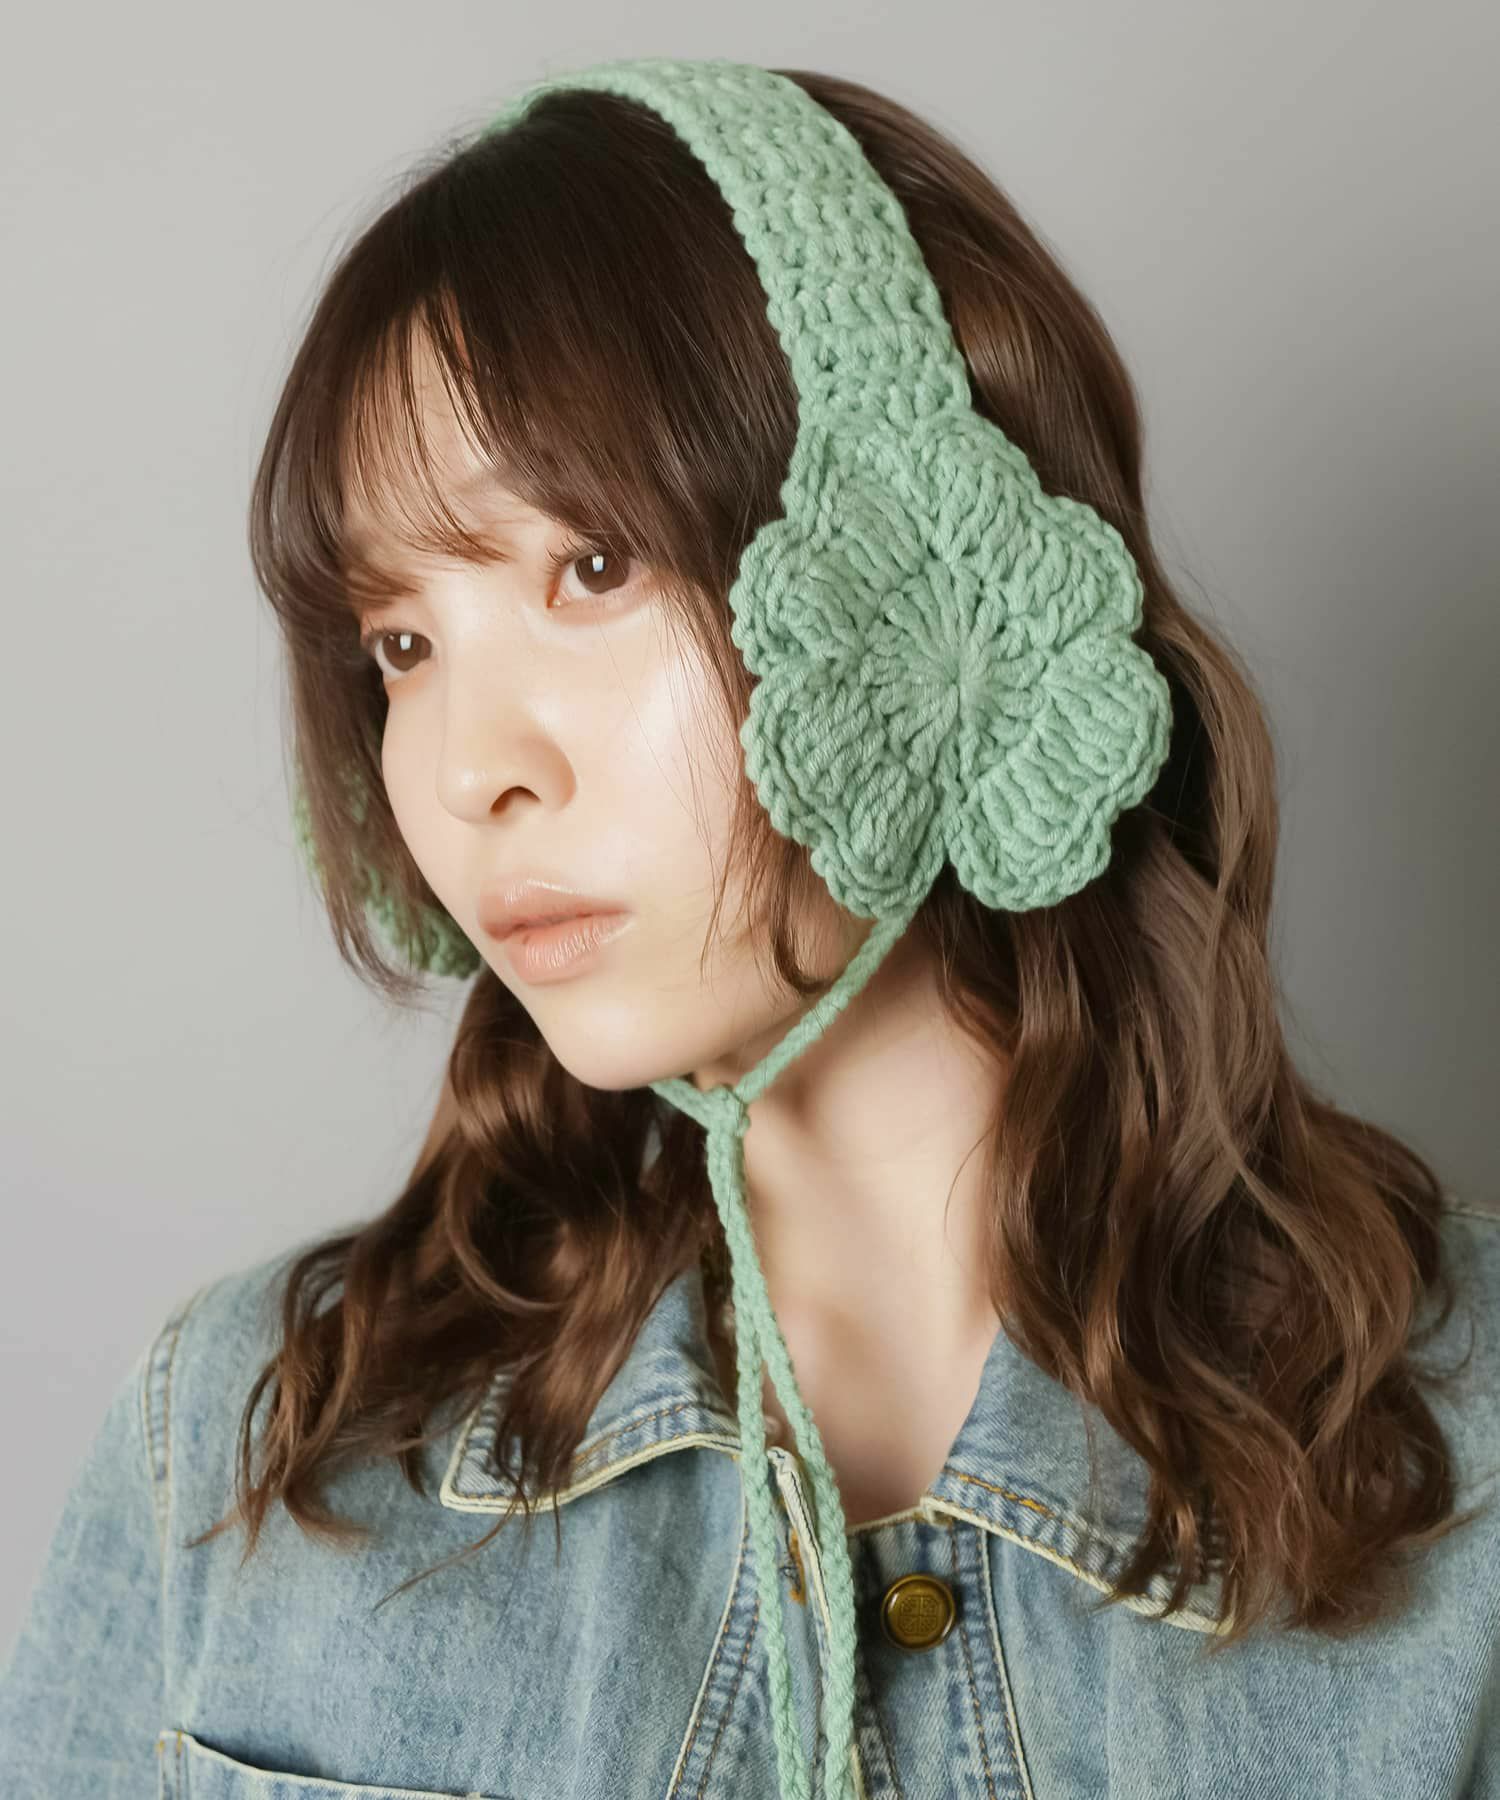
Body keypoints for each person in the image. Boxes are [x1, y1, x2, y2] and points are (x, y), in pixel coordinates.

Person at [3, 54, 1497, 1800]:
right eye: (400, 645)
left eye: (591, 569)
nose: (469, 768)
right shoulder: (244, 1441)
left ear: (927, 575)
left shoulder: (1469, 1462)